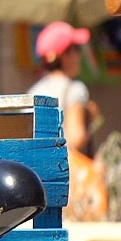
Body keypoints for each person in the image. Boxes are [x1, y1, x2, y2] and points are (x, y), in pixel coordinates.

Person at [28, 21, 106, 221]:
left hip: (40, 181)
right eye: (75, 49)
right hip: (68, 181)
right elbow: (75, 137)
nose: (79, 55)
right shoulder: (75, 89)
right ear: (63, 55)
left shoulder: (34, 91)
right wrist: (90, 120)